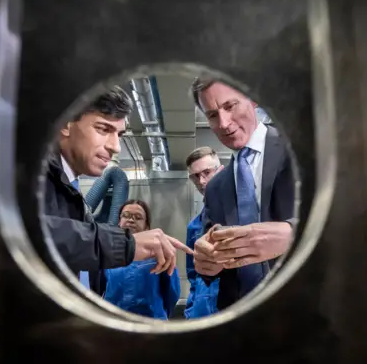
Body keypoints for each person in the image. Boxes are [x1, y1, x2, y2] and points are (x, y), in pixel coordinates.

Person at [43, 86, 192, 294]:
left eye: (119, 134)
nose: (116, 147)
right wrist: (124, 244)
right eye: (103, 129)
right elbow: (34, 234)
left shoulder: (68, 190)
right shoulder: (31, 176)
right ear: (65, 124)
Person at [190, 78, 297, 310]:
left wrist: (293, 235)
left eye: (230, 106)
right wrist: (205, 261)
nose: (224, 123)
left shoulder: (299, 150)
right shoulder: (216, 187)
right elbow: (210, 251)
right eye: (212, 115)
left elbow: (350, 216)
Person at [102, 200, 181, 319]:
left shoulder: (159, 254)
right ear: (119, 221)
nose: (131, 220)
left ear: (147, 226)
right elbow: (98, 288)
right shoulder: (107, 253)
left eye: (138, 217)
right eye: (126, 215)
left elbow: (172, 293)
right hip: (114, 322)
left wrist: (159, 315)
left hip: (152, 324)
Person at [183, 147, 223, 319]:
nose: (201, 181)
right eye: (195, 176)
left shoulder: (242, 215)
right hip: (201, 313)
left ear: (220, 171)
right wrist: (192, 310)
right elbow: (193, 275)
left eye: (207, 172)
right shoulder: (194, 226)